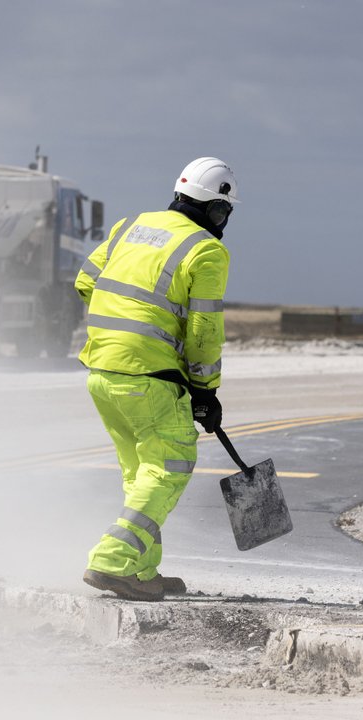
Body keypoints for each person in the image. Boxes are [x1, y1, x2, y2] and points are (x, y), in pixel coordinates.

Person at [75, 157, 238, 601]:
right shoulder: (206, 250)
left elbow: (85, 281)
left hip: (102, 369)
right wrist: (206, 389)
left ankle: (140, 570)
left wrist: (122, 325)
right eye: (223, 213)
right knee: (171, 465)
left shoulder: (130, 227)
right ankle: (111, 560)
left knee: (141, 472)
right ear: (212, 208)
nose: (223, 222)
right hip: (148, 375)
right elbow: (205, 331)